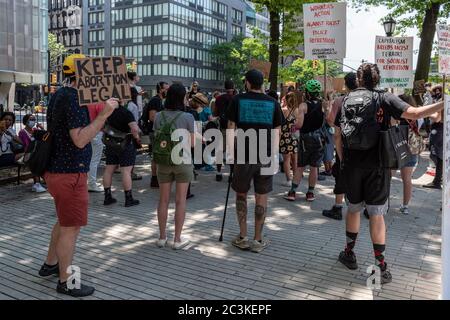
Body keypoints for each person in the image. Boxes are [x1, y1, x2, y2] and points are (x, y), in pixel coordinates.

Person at [334, 63, 445, 285]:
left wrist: (344, 159)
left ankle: (349, 253)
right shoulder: (384, 98)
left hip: (352, 164)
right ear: (378, 78)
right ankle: (380, 266)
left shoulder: (346, 99)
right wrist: (444, 102)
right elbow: (414, 113)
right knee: (376, 214)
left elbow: (338, 137)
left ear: (358, 79)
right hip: (378, 165)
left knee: (353, 208)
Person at [38, 54, 119, 297]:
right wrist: (104, 115)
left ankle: (50, 265)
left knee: (64, 222)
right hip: (70, 172)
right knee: (71, 227)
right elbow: (81, 139)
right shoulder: (73, 98)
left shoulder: (60, 94)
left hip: (56, 170)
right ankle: (66, 281)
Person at [226, 69, 283, 253]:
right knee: (262, 197)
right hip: (265, 155)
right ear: (262, 83)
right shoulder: (273, 103)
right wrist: (274, 155)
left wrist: (230, 153)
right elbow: (277, 132)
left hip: (243, 154)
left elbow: (231, 127)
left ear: (248, 83)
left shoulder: (238, 100)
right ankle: (258, 240)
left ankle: (242, 237)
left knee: (241, 194)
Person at [154, 83, 196, 250]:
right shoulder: (188, 118)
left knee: (163, 200)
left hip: (163, 162)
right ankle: (177, 239)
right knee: (180, 201)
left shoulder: (158, 116)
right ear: (182, 98)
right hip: (182, 161)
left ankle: (162, 237)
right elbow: (192, 143)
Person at [322, 72, 358, 220]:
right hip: (365, 145)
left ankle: (338, 207)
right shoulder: (371, 100)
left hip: (344, 145)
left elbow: (331, 122)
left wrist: (327, 109)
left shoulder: (340, 101)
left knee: (341, 176)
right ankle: (367, 208)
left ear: (346, 84)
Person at [284, 80, 326, 202]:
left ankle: (292, 192)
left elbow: (300, 124)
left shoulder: (303, 106)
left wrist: (294, 127)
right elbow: (328, 120)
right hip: (319, 139)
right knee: (314, 168)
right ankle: (310, 193)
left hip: (305, 139)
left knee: (300, 166)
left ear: (307, 92)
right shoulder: (323, 104)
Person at [102, 93, 142, 208]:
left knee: (109, 170)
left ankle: (107, 196)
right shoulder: (126, 112)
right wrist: (137, 138)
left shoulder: (107, 111)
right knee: (126, 172)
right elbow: (134, 128)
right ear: (122, 99)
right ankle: (128, 198)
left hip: (111, 143)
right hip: (126, 144)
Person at [396, 94, 422, 214]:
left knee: (386, 177)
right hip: (411, 148)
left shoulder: (396, 114)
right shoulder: (417, 116)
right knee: (407, 179)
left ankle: (382, 203)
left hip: (396, 148)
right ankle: (405, 206)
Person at [143, 82, 169, 189]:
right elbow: (152, 117)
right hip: (155, 132)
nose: (168, 91)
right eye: (166, 89)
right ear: (160, 90)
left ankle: (156, 179)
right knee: (156, 156)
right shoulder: (155, 100)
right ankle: (154, 179)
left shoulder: (161, 101)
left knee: (157, 156)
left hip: (159, 131)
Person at [213, 80, 237, 182]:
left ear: (224, 87)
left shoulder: (218, 99)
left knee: (220, 151)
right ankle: (231, 175)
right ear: (233, 87)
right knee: (232, 152)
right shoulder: (236, 98)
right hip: (234, 128)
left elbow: (215, 113)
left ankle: (218, 172)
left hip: (222, 127)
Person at [18, 114, 47, 193]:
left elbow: (46, 138)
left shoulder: (35, 130)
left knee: (44, 158)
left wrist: (42, 129)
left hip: (37, 152)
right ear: (26, 121)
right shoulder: (22, 132)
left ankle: (46, 179)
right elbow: (27, 145)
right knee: (36, 160)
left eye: (34, 119)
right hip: (28, 153)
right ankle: (37, 183)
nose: (33, 121)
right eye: (31, 119)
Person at [279, 91, 301, 187]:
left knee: (286, 160)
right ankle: (296, 179)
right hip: (294, 137)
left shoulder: (283, 110)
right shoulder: (297, 110)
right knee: (295, 159)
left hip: (284, 137)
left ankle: (289, 180)